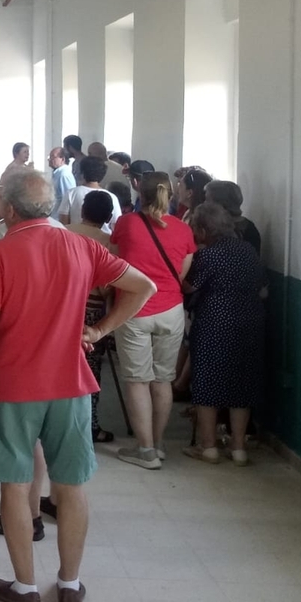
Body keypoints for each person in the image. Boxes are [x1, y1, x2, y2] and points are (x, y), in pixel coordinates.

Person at [0, 170, 155, 602]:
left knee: (15, 485)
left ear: (8, 209)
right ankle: (69, 585)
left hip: (14, 387)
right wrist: (99, 330)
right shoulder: (83, 246)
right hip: (71, 385)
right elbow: (145, 286)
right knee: (71, 485)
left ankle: (24, 588)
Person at [110, 171, 196, 470]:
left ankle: (144, 449)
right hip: (171, 309)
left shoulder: (127, 223)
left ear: (139, 192)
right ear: (170, 194)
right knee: (163, 380)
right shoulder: (183, 230)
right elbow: (182, 272)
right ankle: (158, 444)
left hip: (134, 309)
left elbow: (116, 262)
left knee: (137, 380)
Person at [181, 203, 265, 466]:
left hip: (214, 322)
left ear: (204, 230)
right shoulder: (248, 250)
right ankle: (239, 448)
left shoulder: (208, 255)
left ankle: (209, 447)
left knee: (207, 381)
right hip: (250, 322)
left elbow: (190, 287)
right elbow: (263, 289)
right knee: (241, 382)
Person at [66, 191, 119, 443]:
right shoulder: (109, 242)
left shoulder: (63, 232)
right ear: (109, 217)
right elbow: (108, 286)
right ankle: (90, 425)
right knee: (90, 369)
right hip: (92, 309)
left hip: (61, 306)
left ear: (82, 210)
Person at [57, 157, 122, 230]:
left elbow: (63, 223)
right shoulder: (112, 197)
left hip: (76, 235)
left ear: (82, 173)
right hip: (102, 236)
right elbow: (115, 225)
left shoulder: (71, 194)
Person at [205, 180, 261, 255]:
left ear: (221, 203)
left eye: (207, 199)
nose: (204, 204)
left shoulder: (248, 231)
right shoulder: (249, 226)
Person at [47, 147, 75, 218]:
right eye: (49, 157)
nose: (49, 159)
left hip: (59, 217)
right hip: (54, 215)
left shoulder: (64, 175)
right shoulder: (57, 173)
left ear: (62, 159)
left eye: (52, 157)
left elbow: (68, 199)